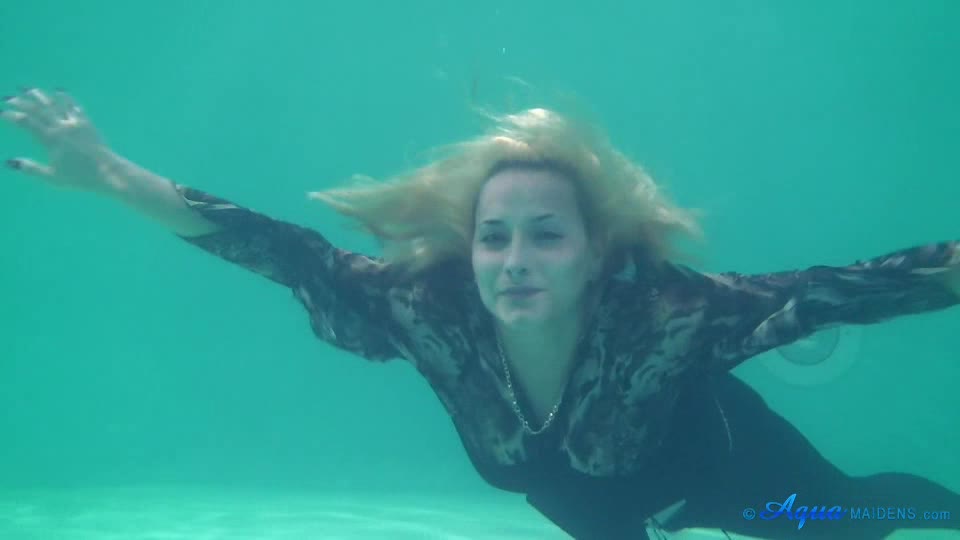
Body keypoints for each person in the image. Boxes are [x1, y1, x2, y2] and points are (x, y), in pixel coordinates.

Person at [3, 87, 959, 540]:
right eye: (494, 237)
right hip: (593, 513)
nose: (514, 260)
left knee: (853, 518)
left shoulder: (663, 313)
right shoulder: (434, 311)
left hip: (741, 478)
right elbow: (286, 251)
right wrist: (115, 178)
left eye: (547, 235)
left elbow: (830, 290)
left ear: (594, 254)